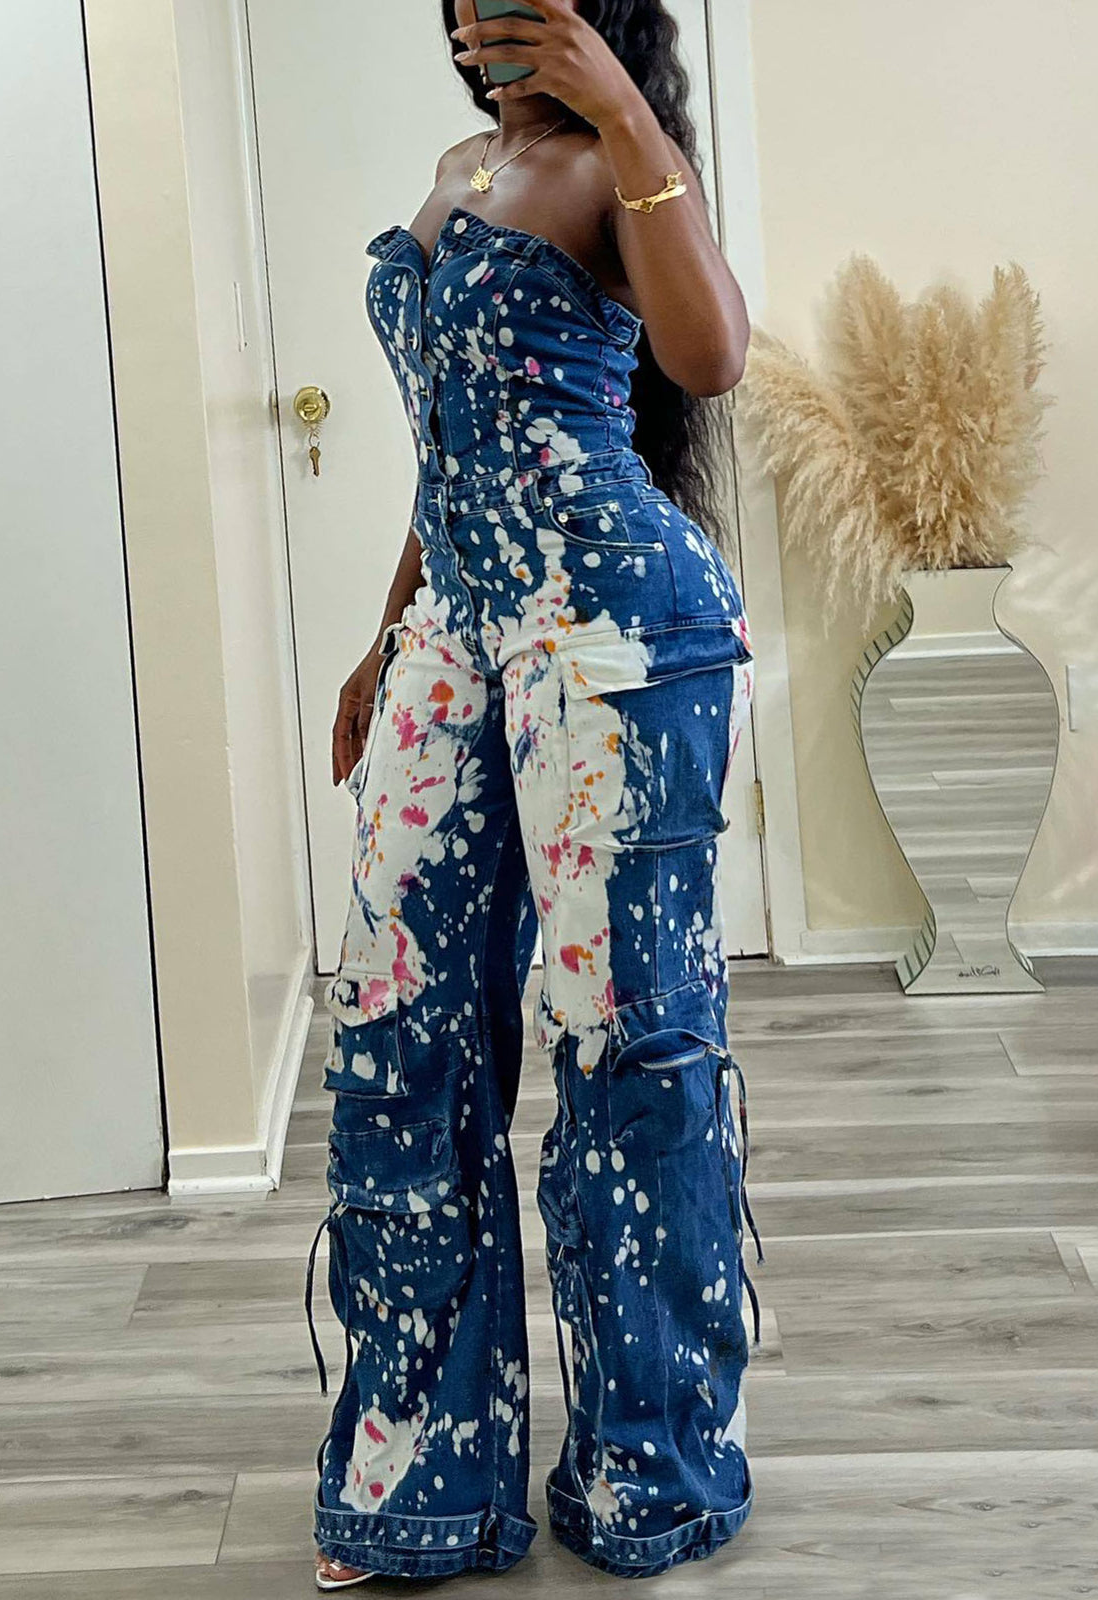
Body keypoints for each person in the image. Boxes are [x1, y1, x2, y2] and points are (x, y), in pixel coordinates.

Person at [309, 0, 763, 1586]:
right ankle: (421, 1483)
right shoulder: (458, 167)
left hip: (611, 630)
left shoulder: (614, 163)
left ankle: (656, 1471)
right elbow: (450, 453)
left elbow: (711, 357)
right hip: (456, 628)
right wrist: (385, 638)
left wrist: (625, 111)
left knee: (625, 1045)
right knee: (397, 1034)